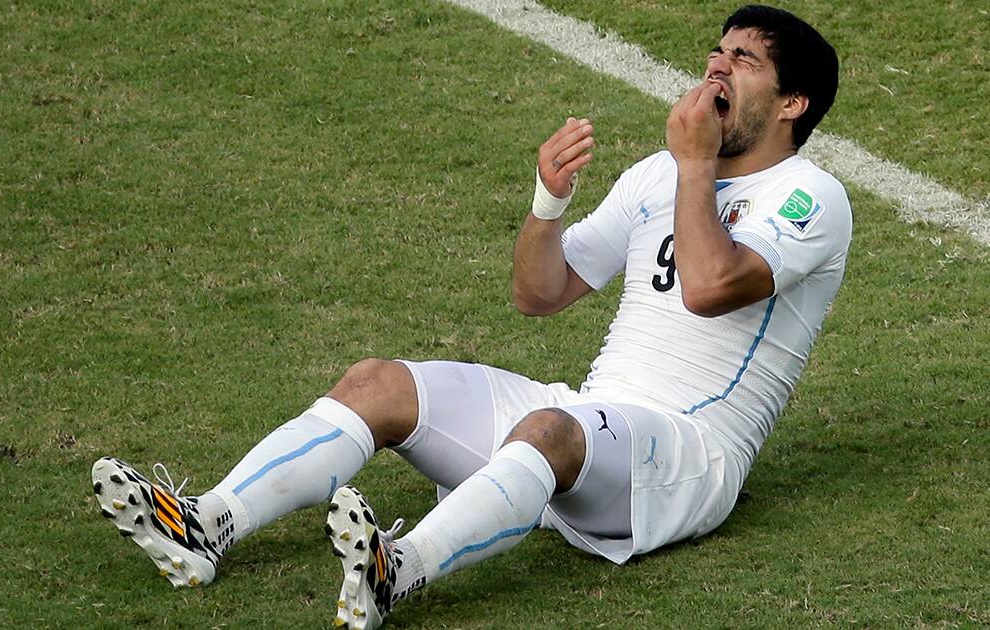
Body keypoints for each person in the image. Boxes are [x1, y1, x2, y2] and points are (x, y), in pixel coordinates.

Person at [91, 5, 851, 629]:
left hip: (686, 458)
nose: (716, 67)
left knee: (550, 430)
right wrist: (547, 202)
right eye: (716, 52)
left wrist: (695, 164)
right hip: (587, 425)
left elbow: (712, 286)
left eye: (744, 61)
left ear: (792, 104)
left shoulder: (810, 195)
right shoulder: (658, 173)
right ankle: (205, 525)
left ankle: (399, 571)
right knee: (378, 383)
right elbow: (540, 293)